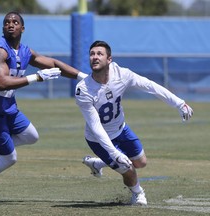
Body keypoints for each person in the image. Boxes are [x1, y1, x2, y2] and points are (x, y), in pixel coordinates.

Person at [0, 11, 87, 203]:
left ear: (22, 28)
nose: (10, 24)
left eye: (15, 22)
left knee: (31, 135)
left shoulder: (25, 51)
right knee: (9, 158)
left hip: (7, 107)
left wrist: (84, 77)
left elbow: (54, 64)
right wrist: (36, 77)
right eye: (7, 22)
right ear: (3, 27)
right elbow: (1, 82)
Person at [75, 40, 193, 206]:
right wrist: (114, 153)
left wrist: (179, 103)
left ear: (109, 59)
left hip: (121, 129)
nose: (95, 57)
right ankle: (138, 194)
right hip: (99, 139)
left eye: (99, 54)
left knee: (141, 162)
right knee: (128, 169)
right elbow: (96, 127)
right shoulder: (84, 89)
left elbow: (150, 86)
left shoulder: (122, 74)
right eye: (92, 54)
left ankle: (97, 163)